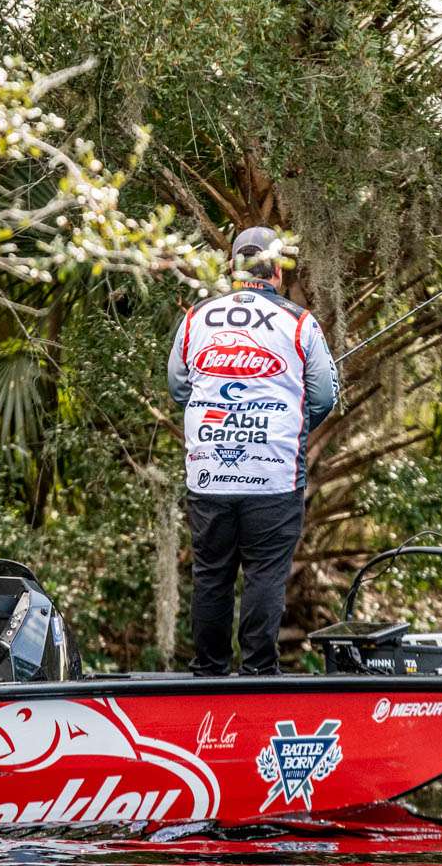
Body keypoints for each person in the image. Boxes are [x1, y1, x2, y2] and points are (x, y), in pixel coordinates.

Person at [167, 227, 339, 675]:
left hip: (208, 474)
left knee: (212, 575)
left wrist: (220, 413)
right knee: (265, 574)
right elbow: (322, 397)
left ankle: (209, 672)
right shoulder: (300, 323)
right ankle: (259, 673)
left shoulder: (195, 318)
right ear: (278, 273)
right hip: (273, 475)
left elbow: (179, 386)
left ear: (231, 271)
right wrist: (285, 430)